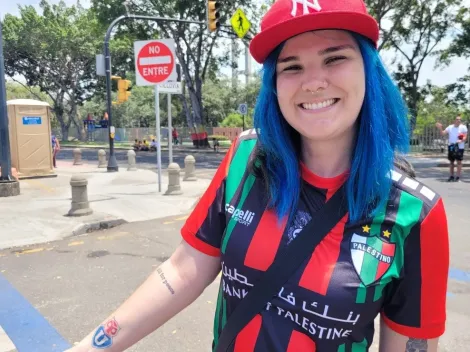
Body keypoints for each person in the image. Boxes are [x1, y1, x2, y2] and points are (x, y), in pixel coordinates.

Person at [66, 0, 449, 351]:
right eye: (292, 66)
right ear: (274, 85)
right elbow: (183, 271)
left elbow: (412, 342)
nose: (313, 82)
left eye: (335, 58)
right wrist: (92, 347)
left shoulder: (415, 213)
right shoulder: (247, 160)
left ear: (368, 69)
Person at [436, 116, 468, 182]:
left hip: (460, 146)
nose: (458, 121)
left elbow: (465, 137)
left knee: (459, 162)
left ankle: (458, 177)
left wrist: (461, 141)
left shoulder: (463, 127)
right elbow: (443, 133)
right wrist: (440, 128)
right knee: (451, 162)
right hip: (451, 146)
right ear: (454, 120)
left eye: (460, 120)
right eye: (457, 119)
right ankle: (451, 176)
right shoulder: (450, 127)